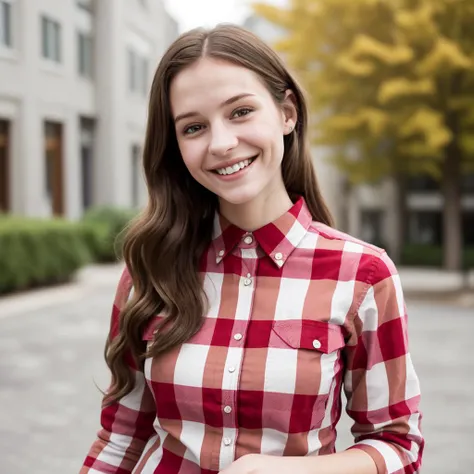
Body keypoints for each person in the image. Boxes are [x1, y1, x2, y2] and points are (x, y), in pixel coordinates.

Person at [80, 24, 423, 474]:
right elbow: (121, 436)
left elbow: (398, 446)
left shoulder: (363, 274)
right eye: (194, 127)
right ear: (176, 146)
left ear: (287, 113)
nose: (221, 144)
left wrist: (281, 470)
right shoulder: (152, 268)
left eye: (240, 112)